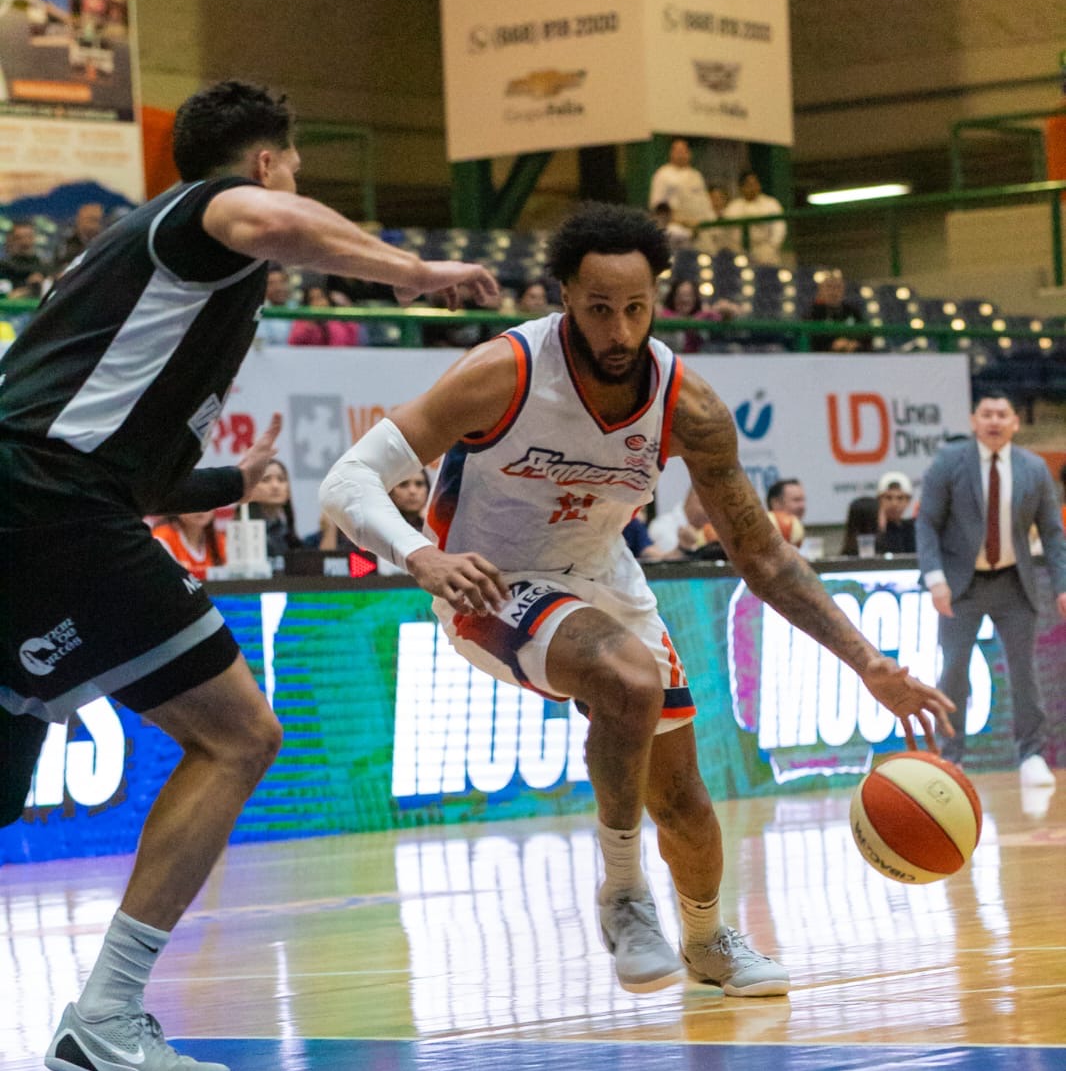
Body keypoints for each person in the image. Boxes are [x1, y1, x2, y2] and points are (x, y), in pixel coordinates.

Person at [0, 77, 498, 1071]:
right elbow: (265, 221)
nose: (293, 189)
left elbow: (127, 466)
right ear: (266, 163)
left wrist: (231, 482)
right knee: (240, 735)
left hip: (40, 501)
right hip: (49, 506)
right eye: (294, 170)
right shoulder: (202, 216)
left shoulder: (136, 278)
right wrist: (414, 272)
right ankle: (107, 1015)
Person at [321, 203, 953, 1001]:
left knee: (684, 798)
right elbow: (347, 480)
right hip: (487, 582)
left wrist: (869, 663)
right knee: (628, 678)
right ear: (565, 299)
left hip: (604, 578)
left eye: (635, 308)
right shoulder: (504, 372)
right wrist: (424, 555)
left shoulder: (688, 407)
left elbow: (763, 556)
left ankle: (708, 939)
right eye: (598, 310)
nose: (618, 331)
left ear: (657, 300)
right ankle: (623, 895)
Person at [917, 392, 1066, 790]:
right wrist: (935, 578)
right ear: (973, 421)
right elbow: (927, 522)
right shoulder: (949, 462)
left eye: (1002, 414)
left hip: (1014, 583)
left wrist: (1062, 585)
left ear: (1015, 422)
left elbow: (1052, 533)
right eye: (987, 414)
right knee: (954, 671)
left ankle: (1032, 754)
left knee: (1024, 672)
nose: (994, 421)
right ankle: (951, 756)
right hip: (960, 584)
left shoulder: (1033, 467)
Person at [648, 138, 714, 241]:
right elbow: (658, 207)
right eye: (678, 151)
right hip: (677, 232)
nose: (681, 155)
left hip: (702, 229)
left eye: (684, 151)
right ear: (671, 153)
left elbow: (705, 203)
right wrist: (683, 222)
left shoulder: (696, 175)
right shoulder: (662, 174)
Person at [720, 171, 786, 266]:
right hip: (739, 253)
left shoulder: (770, 204)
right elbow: (727, 233)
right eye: (749, 185)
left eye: (755, 184)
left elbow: (779, 228)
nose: (753, 188)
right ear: (741, 187)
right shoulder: (733, 207)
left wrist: (772, 247)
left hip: (765, 250)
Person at [247, 459, 302, 562]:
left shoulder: (286, 533)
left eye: (281, 479)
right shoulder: (245, 530)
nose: (275, 486)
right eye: (266, 480)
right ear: (251, 489)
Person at [153, 511, 227, 583]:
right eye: (194, 504)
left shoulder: (220, 541)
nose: (200, 510)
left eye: (206, 504)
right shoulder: (162, 538)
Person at [287, 281, 366, 346]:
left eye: (321, 297)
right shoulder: (302, 323)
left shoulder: (339, 322)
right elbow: (293, 343)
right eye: (312, 299)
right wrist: (309, 327)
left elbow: (352, 340)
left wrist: (346, 306)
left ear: (328, 299)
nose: (318, 303)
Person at [809, 269, 867, 352]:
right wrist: (832, 345)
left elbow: (866, 336)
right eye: (829, 287)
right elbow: (811, 341)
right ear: (820, 290)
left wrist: (854, 344)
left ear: (843, 290)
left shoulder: (853, 312)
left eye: (838, 287)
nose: (834, 292)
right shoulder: (812, 313)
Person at [52, 201, 106, 274]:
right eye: (92, 220)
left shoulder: (105, 243)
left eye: (99, 221)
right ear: (79, 220)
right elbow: (59, 270)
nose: (95, 225)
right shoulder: (66, 243)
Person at [1, 220, 49, 297]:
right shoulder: (3, 268)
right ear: (10, 240)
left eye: (29, 237)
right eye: (19, 238)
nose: (25, 242)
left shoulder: (45, 268)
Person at [876, 470, 916, 554]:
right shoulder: (871, 530)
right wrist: (881, 531)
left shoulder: (915, 529)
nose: (894, 504)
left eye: (900, 498)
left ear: (908, 501)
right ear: (879, 500)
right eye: (888, 498)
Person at [258, 263, 295, 346]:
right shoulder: (259, 310)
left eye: (282, 282)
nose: (278, 288)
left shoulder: (297, 308)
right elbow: (259, 340)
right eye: (271, 283)